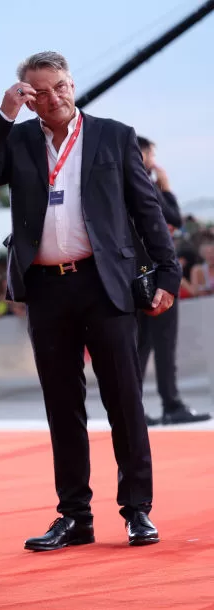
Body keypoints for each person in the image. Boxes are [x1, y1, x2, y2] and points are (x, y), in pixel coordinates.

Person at [0, 51, 180, 551]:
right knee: (62, 405)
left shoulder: (112, 135)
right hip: (46, 288)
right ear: (25, 95)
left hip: (105, 283)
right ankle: (75, 516)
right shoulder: (16, 138)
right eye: (38, 91)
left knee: (124, 399)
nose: (52, 97)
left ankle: (137, 510)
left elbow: (146, 208)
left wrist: (168, 271)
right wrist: (2, 117)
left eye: (59, 86)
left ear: (72, 84)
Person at [134, 139, 209, 427]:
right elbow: (174, 218)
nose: (155, 158)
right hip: (156, 272)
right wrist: (165, 186)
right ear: (141, 154)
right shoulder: (144, 183)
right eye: (151, 153)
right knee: (162, 342)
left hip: (138, 270)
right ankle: (171, 404)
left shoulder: (122, 184)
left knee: (142, 344)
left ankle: (133, 407)